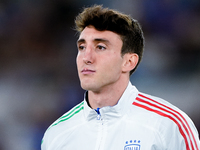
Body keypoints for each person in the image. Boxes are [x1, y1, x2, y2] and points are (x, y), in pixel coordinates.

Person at [41, 5, 200, 150]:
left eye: (100, 47)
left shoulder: (170, 125)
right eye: (82, 47)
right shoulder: (56, 134)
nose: (86, 57)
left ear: (129, 62)